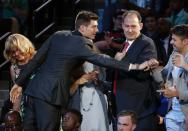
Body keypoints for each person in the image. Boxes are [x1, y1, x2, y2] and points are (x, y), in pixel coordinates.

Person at [9, 11, 158, 131]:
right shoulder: (81, 43)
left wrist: (19, 83)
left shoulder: (59, 34)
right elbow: (101, 60)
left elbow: (36, 60)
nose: (97, 30)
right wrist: (135, 66)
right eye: (93, 26)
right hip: (51, 94)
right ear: (82, 28)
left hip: (34, 91)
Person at [114, 10, 158, 131]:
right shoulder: (125, 44)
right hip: (123, 103)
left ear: (141, 26)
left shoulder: (147, 43)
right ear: (122, 25)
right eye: (127, 26)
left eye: (133, 26)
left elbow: (142, 74)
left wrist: (119, 62)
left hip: (139, 107)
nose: (129, 30)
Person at [154, 24, 188, 131]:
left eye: (174, 40)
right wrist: (152, 69)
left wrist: (176, 93)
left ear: (185, 41)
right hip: (172, 111)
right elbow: (165, 74)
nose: (171, 42)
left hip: (187, 115)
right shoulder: (174, 53)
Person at [0, 34, 36, 124]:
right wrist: (16, 114)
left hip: (42, 102)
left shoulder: (37, 58)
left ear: (24, 45)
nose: (16, 54)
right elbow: (18, 94)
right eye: (12, 52)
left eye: (17, 49)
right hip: (26, 107)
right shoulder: (14, 68)